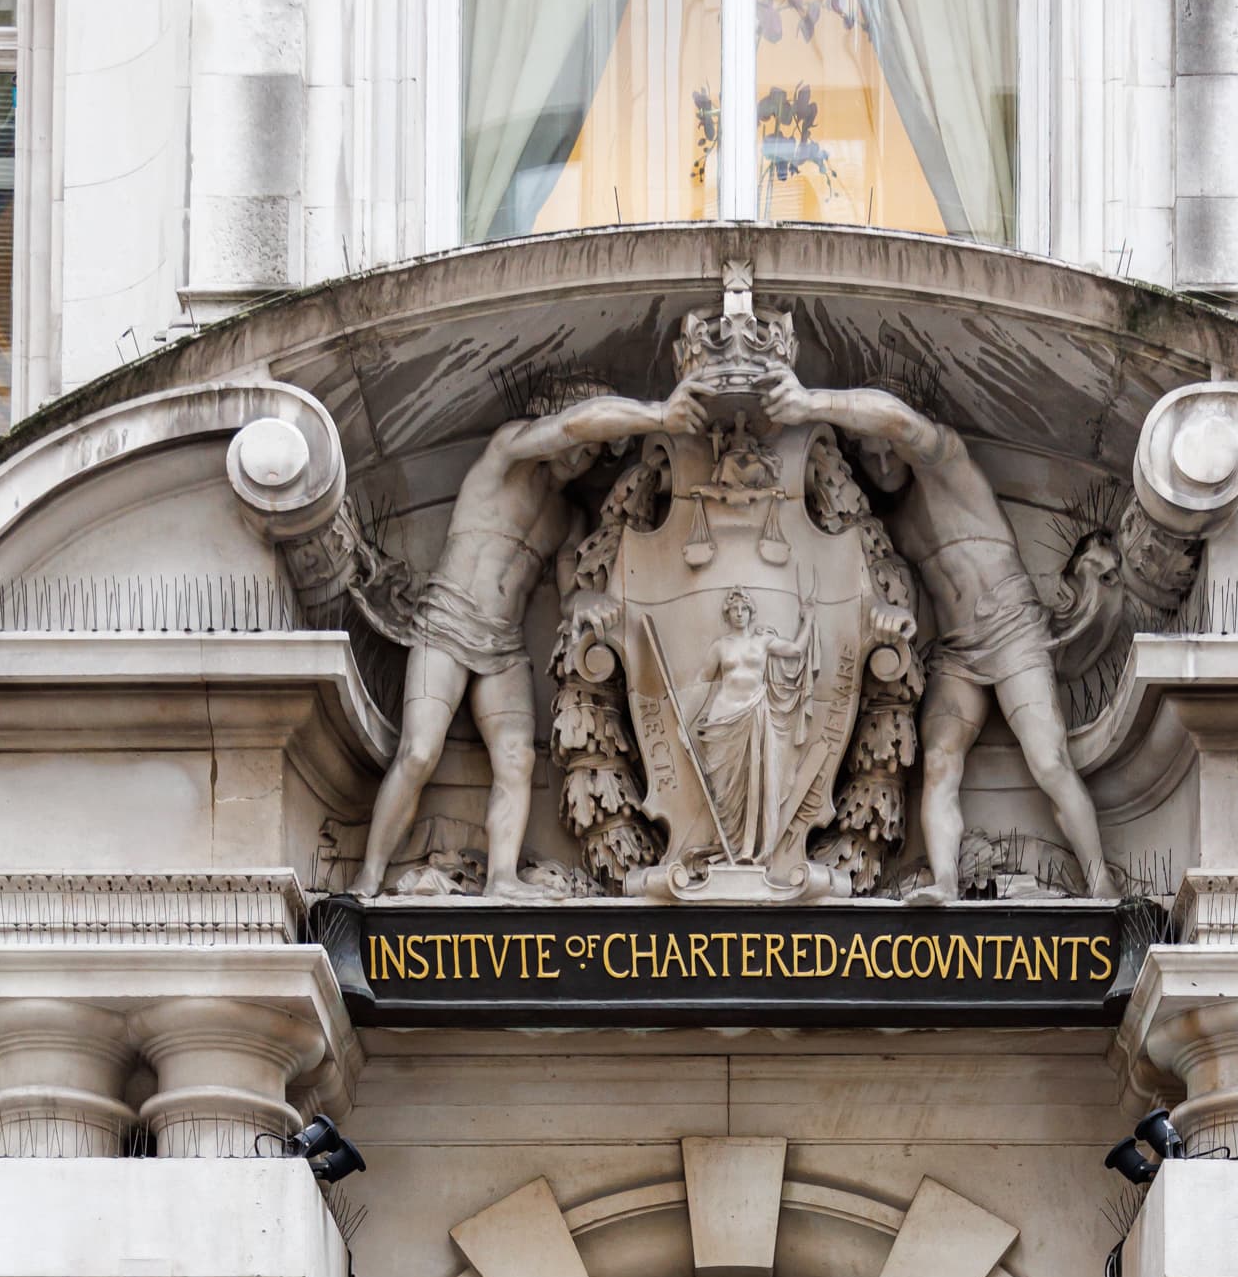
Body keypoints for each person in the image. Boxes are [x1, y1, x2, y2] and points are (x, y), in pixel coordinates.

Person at [752, 365, 1118, 898]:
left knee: (1048, 759)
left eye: (888, 450)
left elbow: (897, 420)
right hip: (957, 652)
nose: (881, 464)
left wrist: (810, 403)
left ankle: (1100, 880)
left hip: (1014, 631)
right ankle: (945, 880)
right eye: (869, 455)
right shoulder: (893, 521)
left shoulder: (947, 465)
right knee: (940, 758)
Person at [358, 378, 706, 898]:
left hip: (502, 645)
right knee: (417, 753)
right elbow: (570, 425)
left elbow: (567, 594)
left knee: (518, 759)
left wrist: (585, 600)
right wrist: (659, 414)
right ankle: (366, 877)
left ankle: (502, 878)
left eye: (593, 453)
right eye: (580, 444)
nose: (582, 456)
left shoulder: (569, 518)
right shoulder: (508, 453)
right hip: (447, 623)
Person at [683, 586, 820, 866]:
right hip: (723, 721)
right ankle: (727, 846)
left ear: (751, 612)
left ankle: (746, 850)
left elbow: (795, 650)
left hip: (754, 715)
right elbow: (702, 684)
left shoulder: (763, 643)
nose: (739, 614)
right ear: (727, 613)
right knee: (723, 793)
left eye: (744, 609)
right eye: (734, 609)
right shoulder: (720, 647)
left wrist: (808, 619)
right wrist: (684, 723)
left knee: (754, 785)